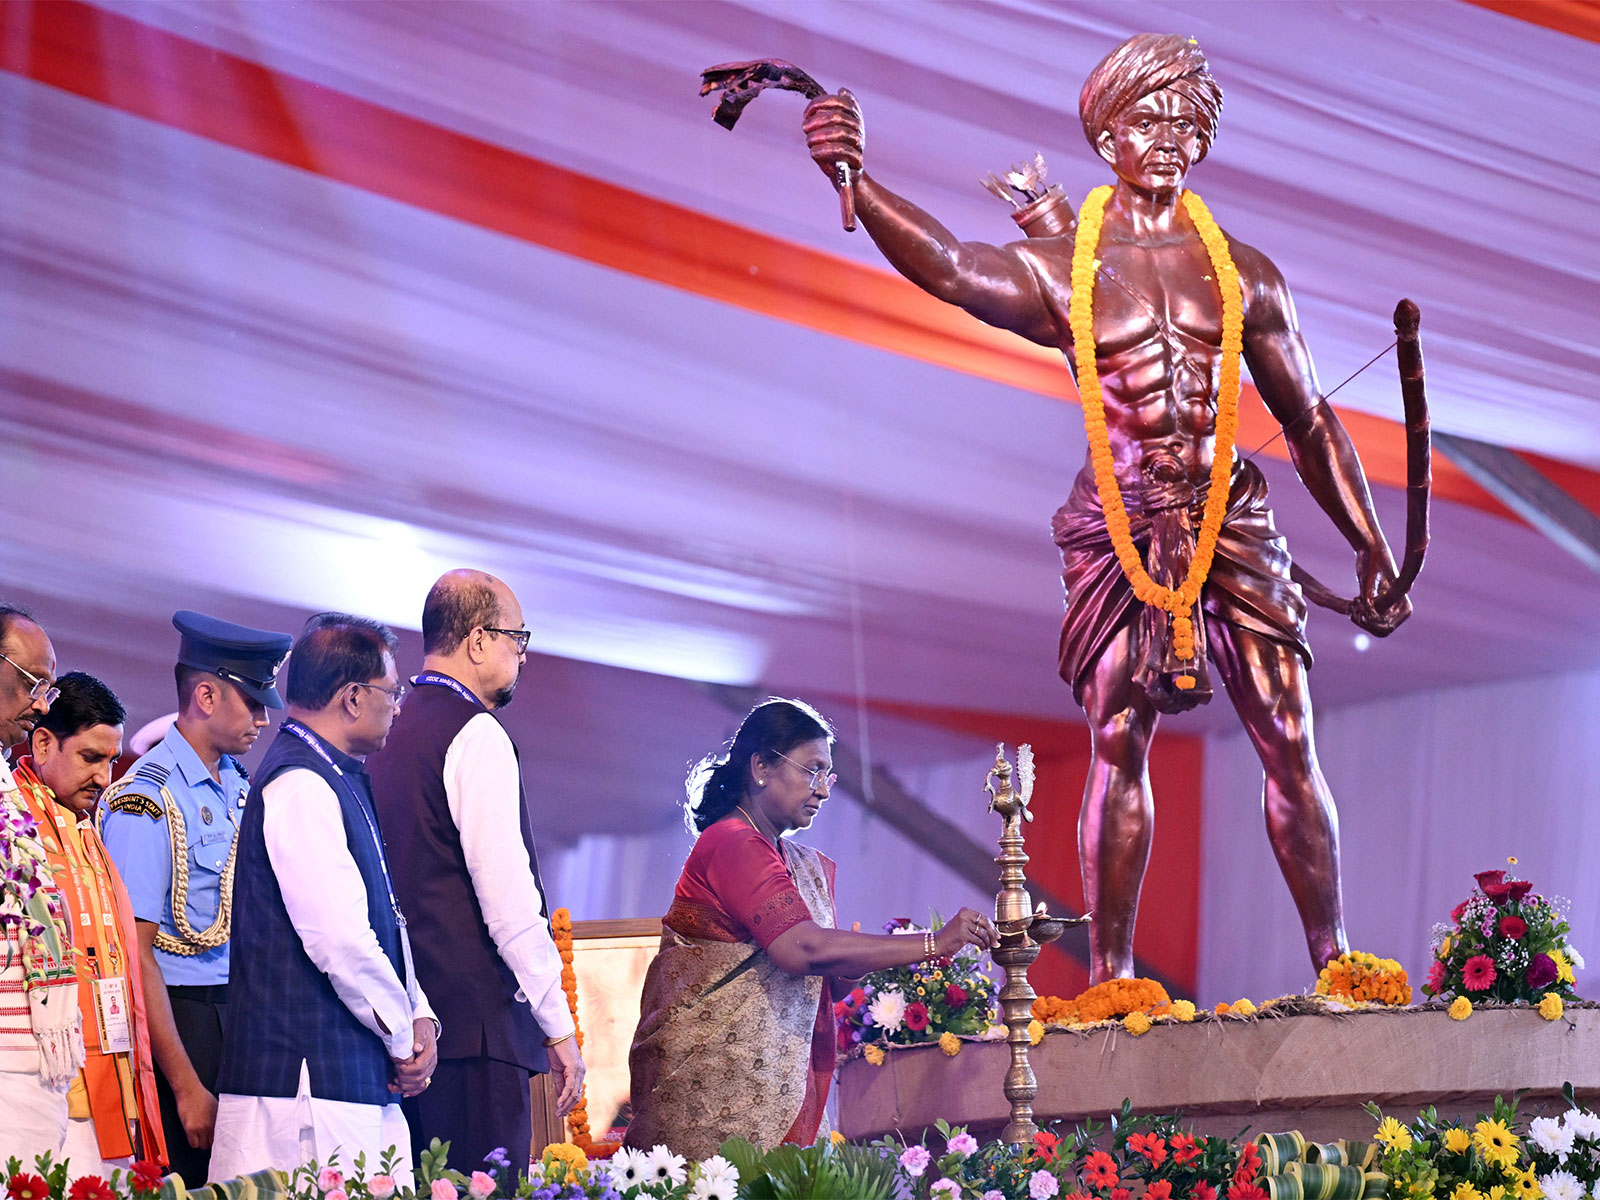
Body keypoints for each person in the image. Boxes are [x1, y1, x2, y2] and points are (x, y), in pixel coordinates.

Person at [801, 33, 1410, 982]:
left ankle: (1335, 962)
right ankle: (1113, 975)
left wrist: (1370, 544)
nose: (1166, 137)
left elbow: (1311, 417)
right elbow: (958, 269)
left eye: (1183, 120)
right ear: (1107, 136)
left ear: (1203, 137)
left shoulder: (1246, 271)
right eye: (1145, 119)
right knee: (1119, 738)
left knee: (1290, 734)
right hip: (1122, 523)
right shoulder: (1068, 268)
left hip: (1231, 517)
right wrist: (857, 180)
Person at [625, 698, 1000, 1159]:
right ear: (761, 766)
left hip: (771, 1084)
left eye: (828, 775)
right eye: (812, 770)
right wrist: (932, 944)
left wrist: (860, 959)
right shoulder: (732, 842)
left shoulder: (792, 860)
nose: (823, 790)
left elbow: (829, 981)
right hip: (714, 1092)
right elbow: (799, 950)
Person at [368, 570, 582, 1179]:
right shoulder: (475, 731)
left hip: (408, 1030)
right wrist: (559, 1026)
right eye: (518, 637)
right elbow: (508, 902)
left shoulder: (391, 726)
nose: (522, 654)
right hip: (475, 1037)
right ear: (479, 640)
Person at [210, 614, 437, 1183]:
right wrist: (404, 1035)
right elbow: (338, 940)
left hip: (344, 1076)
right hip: (304, 1085)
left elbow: (384, 920)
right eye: (392, 692)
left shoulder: (335, 773)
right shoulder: (302, 783)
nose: (399, 705)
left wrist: (419, 1013)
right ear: (353, 698)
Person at [100, 610, 293, 1185]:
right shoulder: (145, 800)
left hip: (239, 1012)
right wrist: (185, 1086)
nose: (264, 718)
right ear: (206, 695)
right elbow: (138, 955)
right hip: (186, 1024)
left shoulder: (237, 782)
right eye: (253, 701)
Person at [13, 672, 168, 1175]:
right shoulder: (14, 824)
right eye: (90, 758)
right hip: (37, 1074)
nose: (105, 777)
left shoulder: (85, 828)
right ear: (42, 743)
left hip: (109, 1067)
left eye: (110, 760)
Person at [0, 602, 80, 1161]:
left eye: (48, 689)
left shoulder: (9, 788)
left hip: (33, 1062)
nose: (40, 705)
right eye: (34, 683)